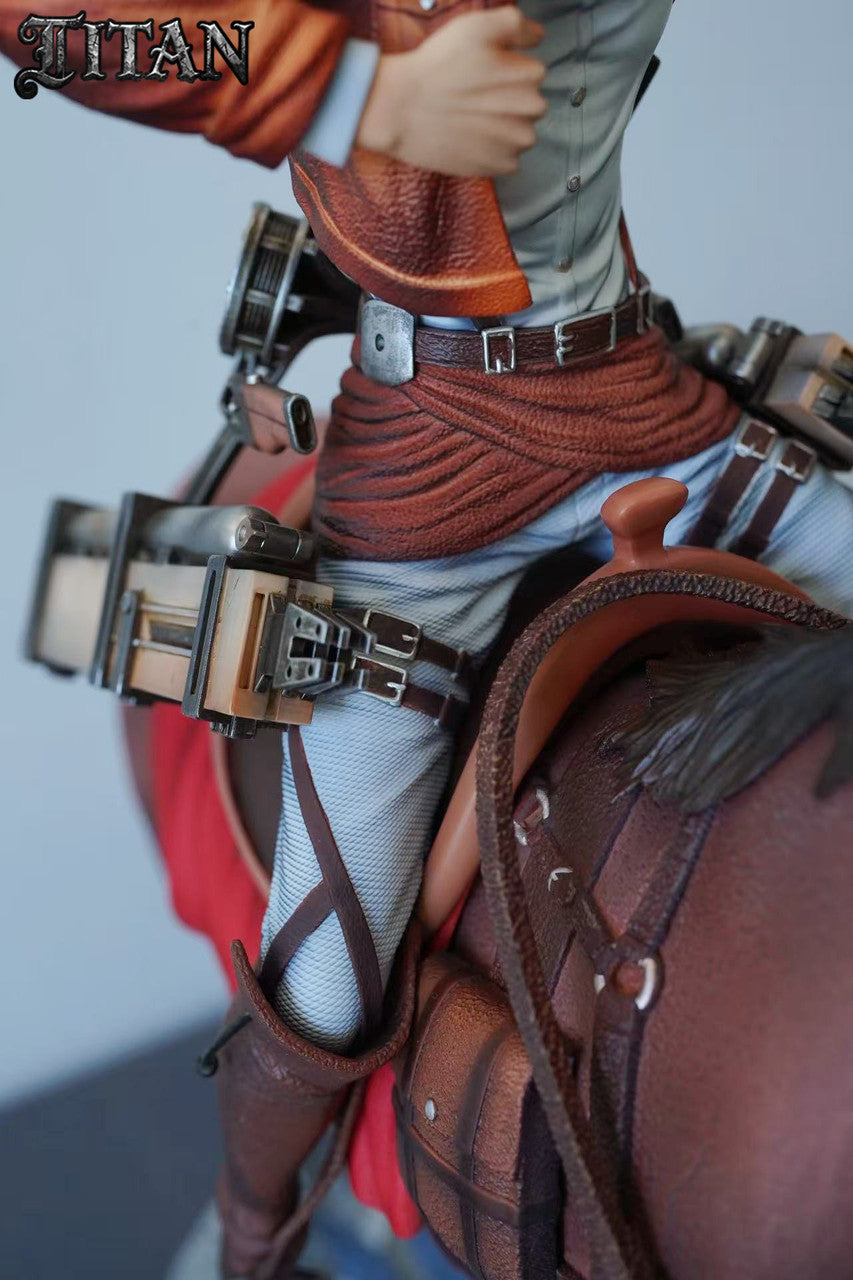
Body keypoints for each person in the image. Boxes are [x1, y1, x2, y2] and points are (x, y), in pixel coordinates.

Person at [5, 2, 853, 1275]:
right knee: (329, 972)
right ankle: (252, 1225)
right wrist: (360, 95)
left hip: (643, 404)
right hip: (438, 470)